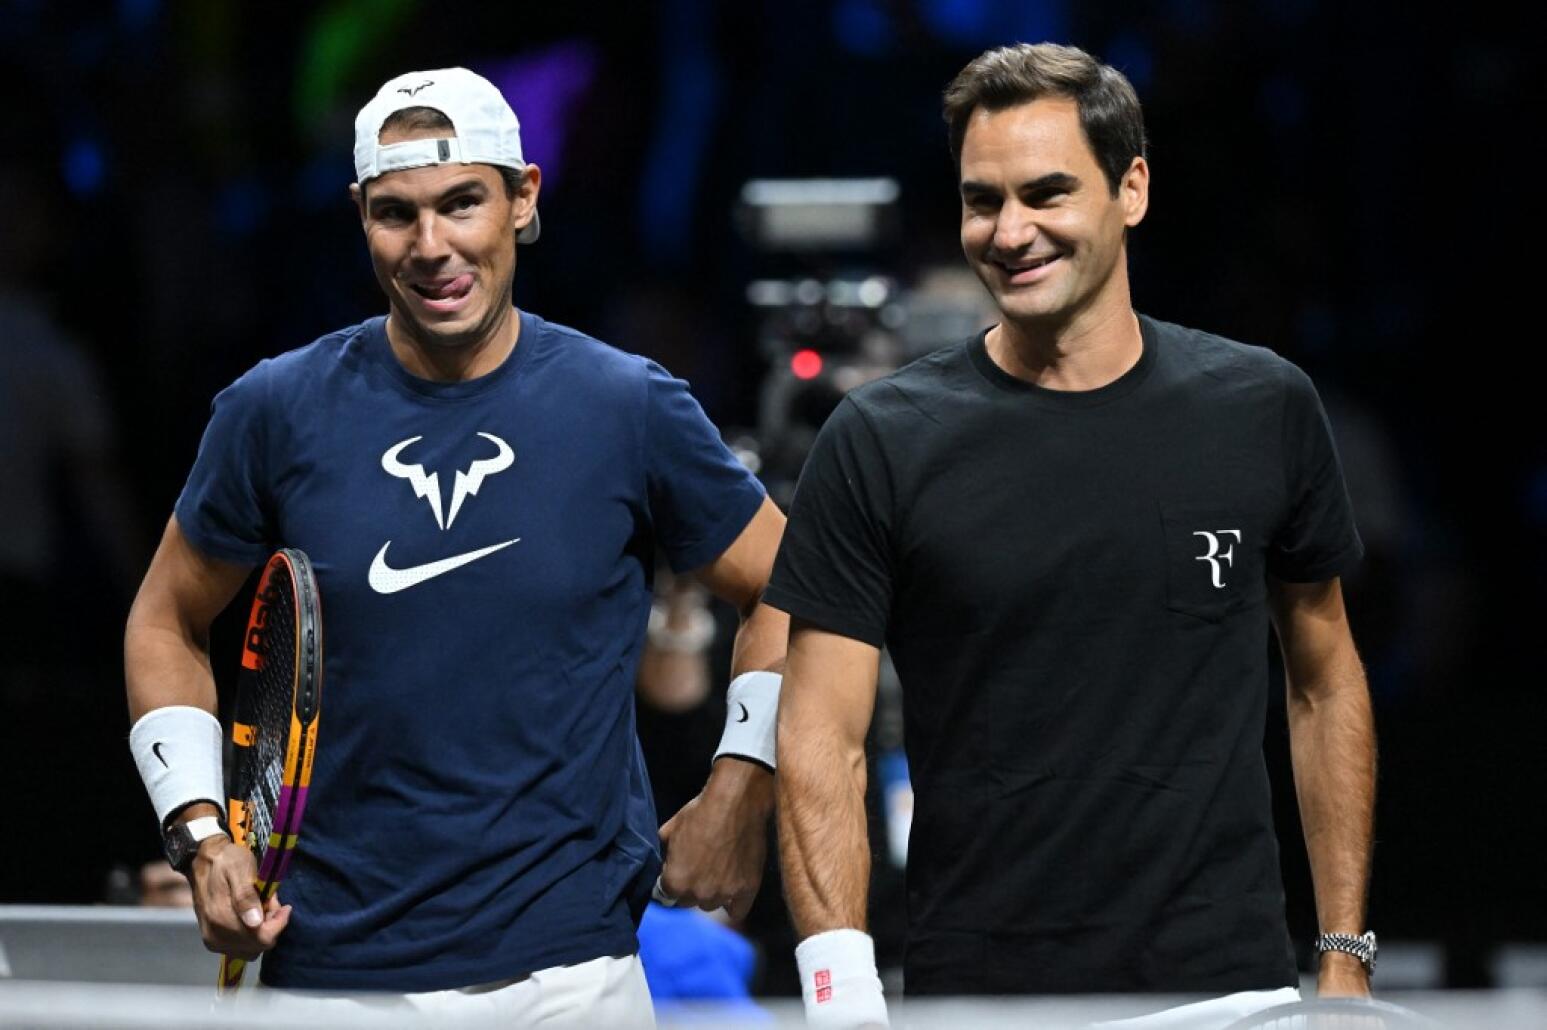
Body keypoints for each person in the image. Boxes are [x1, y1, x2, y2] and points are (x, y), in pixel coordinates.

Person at [124, 67, 788, 1024]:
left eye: (461, 203)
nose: (431, 247)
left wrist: (741, 788)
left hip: (573, 977)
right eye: (396, 214)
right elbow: (164, 618)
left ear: (522, 198)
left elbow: (788, 586)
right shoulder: (274, 409)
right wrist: (199, 832)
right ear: (359, 216)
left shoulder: (625, 404)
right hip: (330, 976)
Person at [768, 43, 1377, 1028]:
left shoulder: (1260, 407)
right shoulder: (879, 439)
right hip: (982, 997)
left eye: (1045, 192)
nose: (1008, 232)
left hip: (1229, 991)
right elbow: (819, 735)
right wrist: (840, 999)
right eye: (981, 200)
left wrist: (1343, 956)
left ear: (1129, 187)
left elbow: (1323, 679)